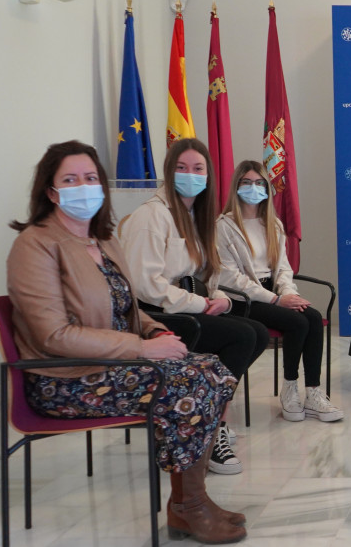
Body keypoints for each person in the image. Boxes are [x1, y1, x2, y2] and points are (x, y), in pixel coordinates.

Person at [6, 141, 246, 543]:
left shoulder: (103, 241)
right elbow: (54, 335)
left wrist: (154, 331)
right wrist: (142, 348)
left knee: (214, 371)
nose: (83, 186)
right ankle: (191, 507)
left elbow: (128, 311)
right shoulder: (34, 245)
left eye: (90, 178)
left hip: (111, 365)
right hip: (63, 379)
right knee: (187, 382)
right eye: (70, 179)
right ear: (50, 191)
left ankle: (187, 502)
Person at [119, 138, 268, 475]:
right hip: (155, 316)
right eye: (182, 168)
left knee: (256, 333)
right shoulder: (150, 217)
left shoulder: (192, 214)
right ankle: (209, 430)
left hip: (184, 306)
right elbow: (146, 286)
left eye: (198, 168)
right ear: (170, 172)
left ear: (208, 174)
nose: (191, 175)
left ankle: (211, 416)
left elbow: (203, 270)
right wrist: (200, 303)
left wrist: (215, 297)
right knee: (241, 338)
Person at [217, 160, 342, 422]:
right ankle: (289, 389)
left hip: (274, 294)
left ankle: (313, 393)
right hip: (243, 300)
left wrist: (288, 293)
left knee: (313, 318)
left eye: (260, 183)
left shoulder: (272, 224)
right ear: (236, 187)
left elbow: (283, 268)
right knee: (297, 322)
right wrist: (276, 299)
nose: (254, 188)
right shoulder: (224, 226)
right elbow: (231, 278)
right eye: (247, 183)